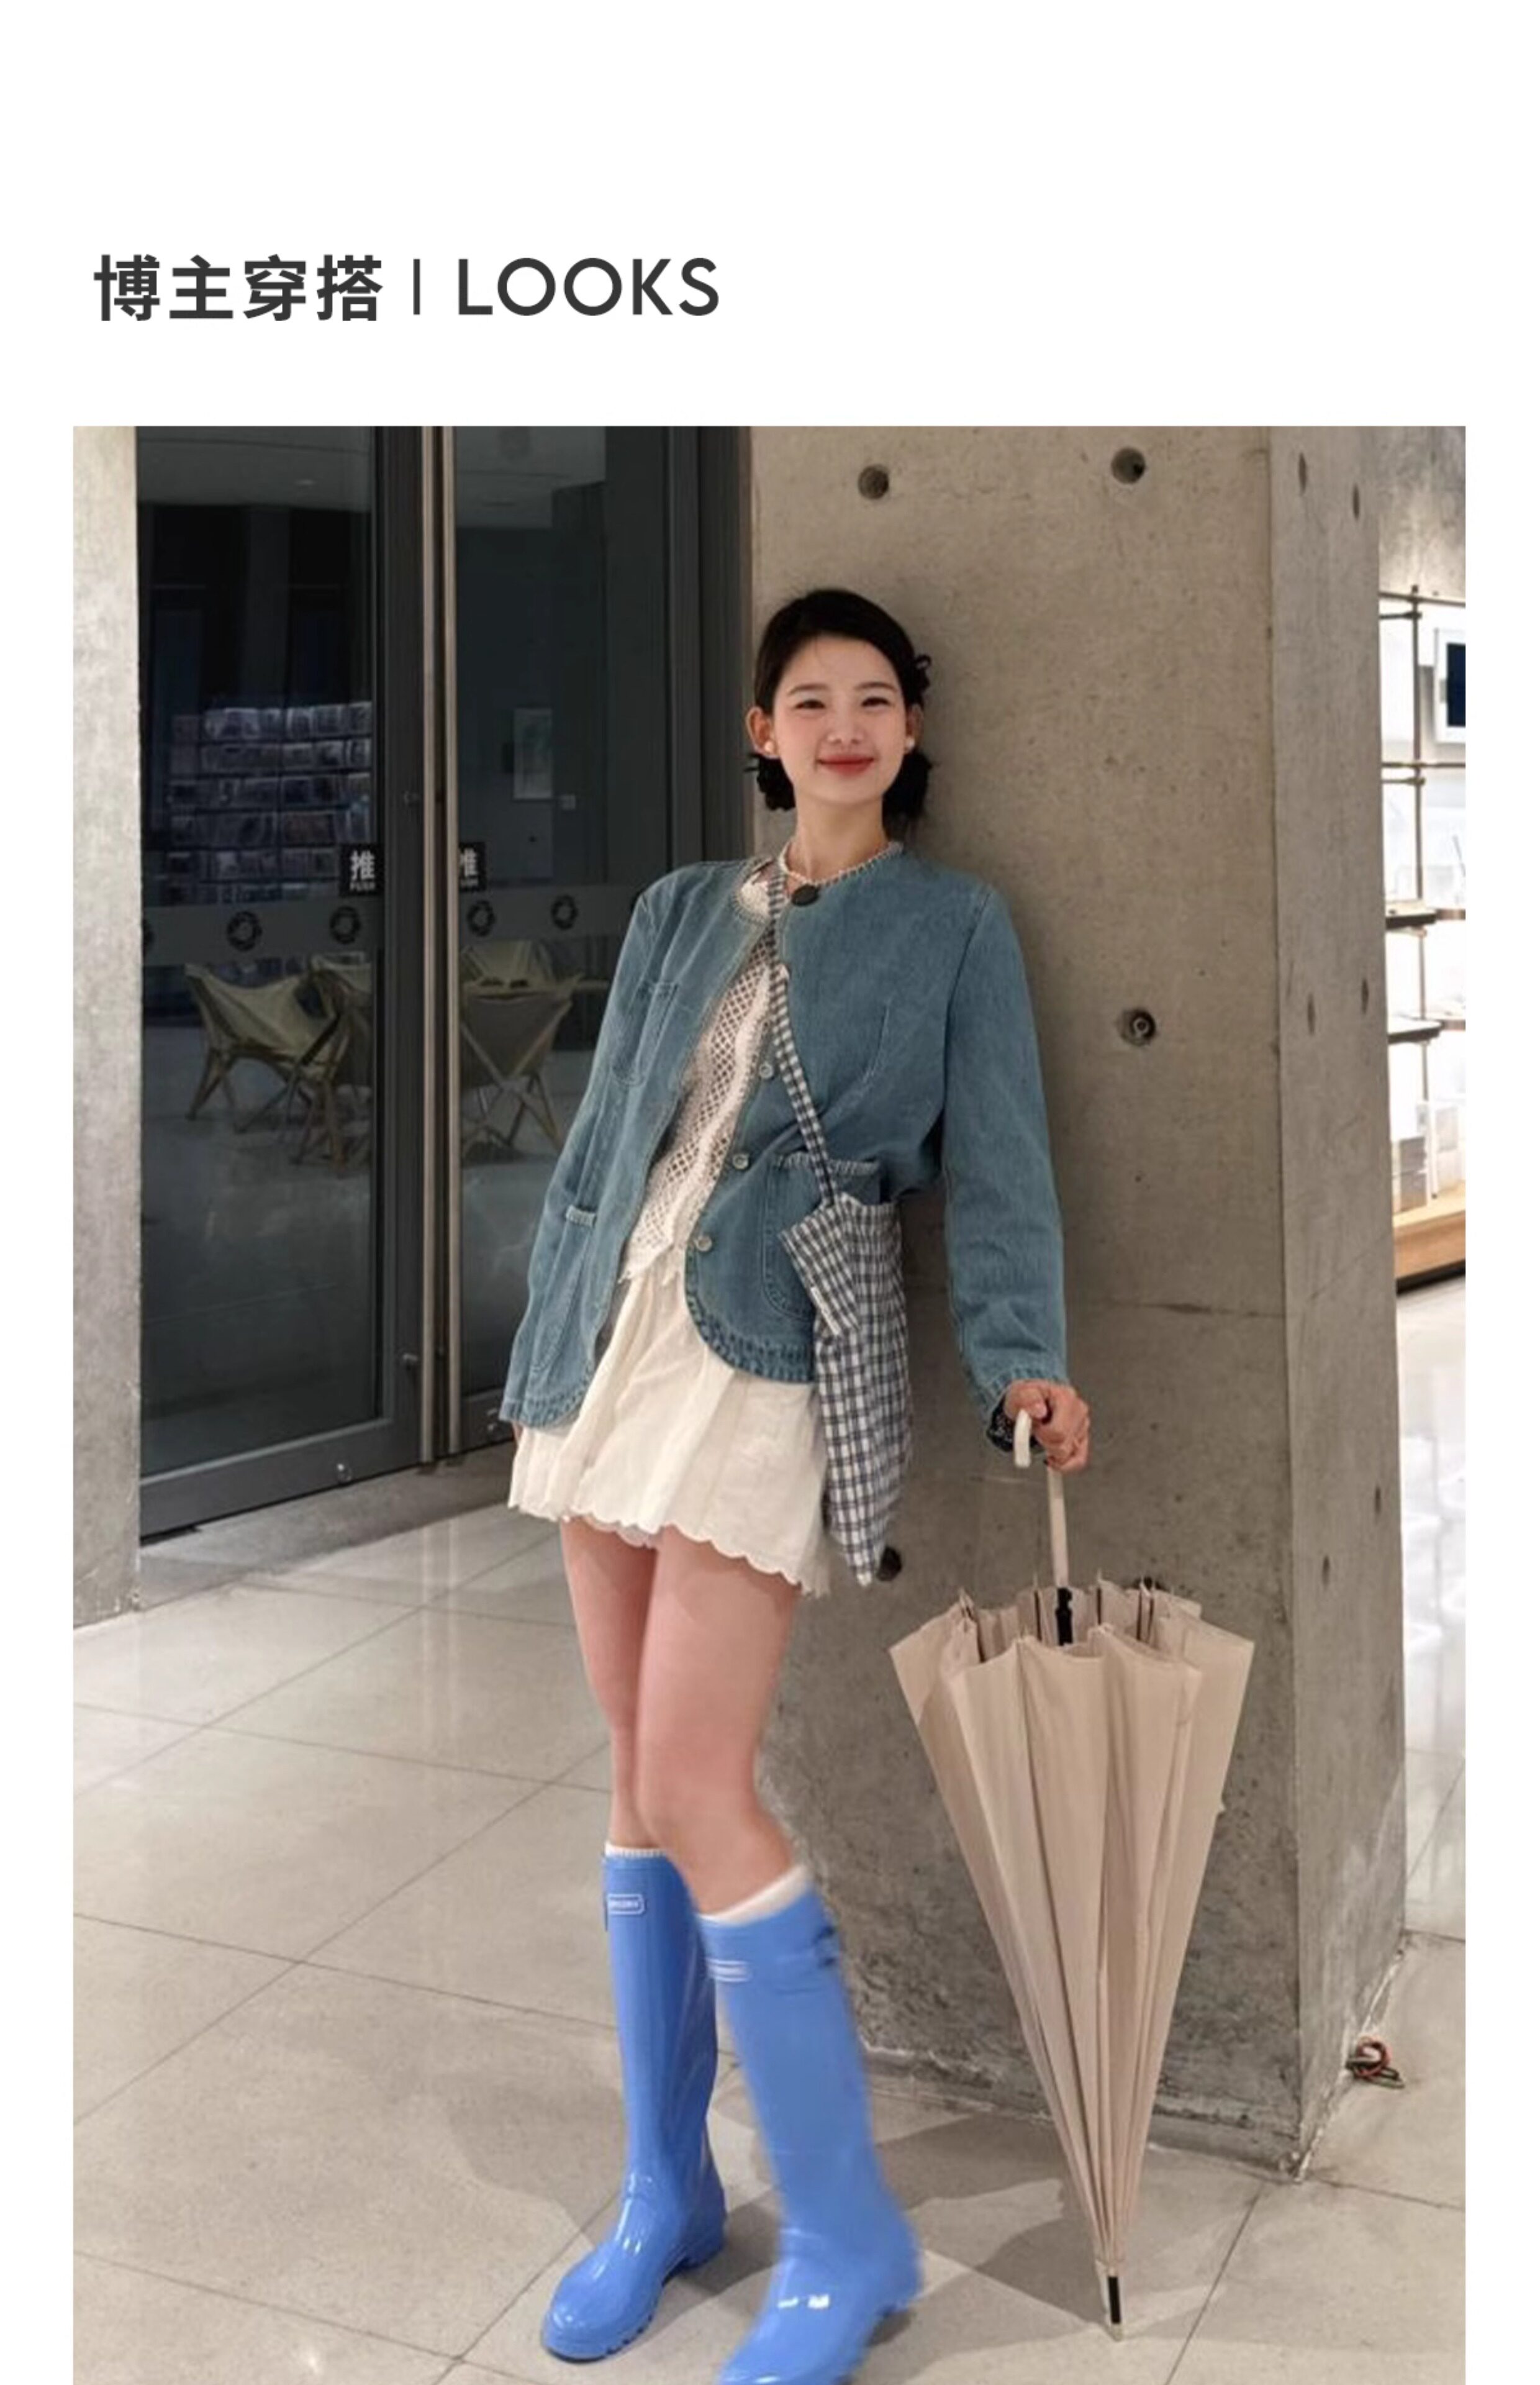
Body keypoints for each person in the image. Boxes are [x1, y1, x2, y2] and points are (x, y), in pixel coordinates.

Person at [499, 586, 1091, 2385]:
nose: (846, 726)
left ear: (912, 729)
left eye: (876, 699)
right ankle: (667, 2187)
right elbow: (612, 1130)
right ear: (763, 733)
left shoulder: (954, 924)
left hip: (771, 1349)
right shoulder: (685, 907)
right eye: (811, 700)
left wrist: (1022, 1359)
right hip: (611, 1336)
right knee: (635, 1777)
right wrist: (553, 1322)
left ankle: (845, 2234)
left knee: (697, 1778)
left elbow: (1000, 1164)